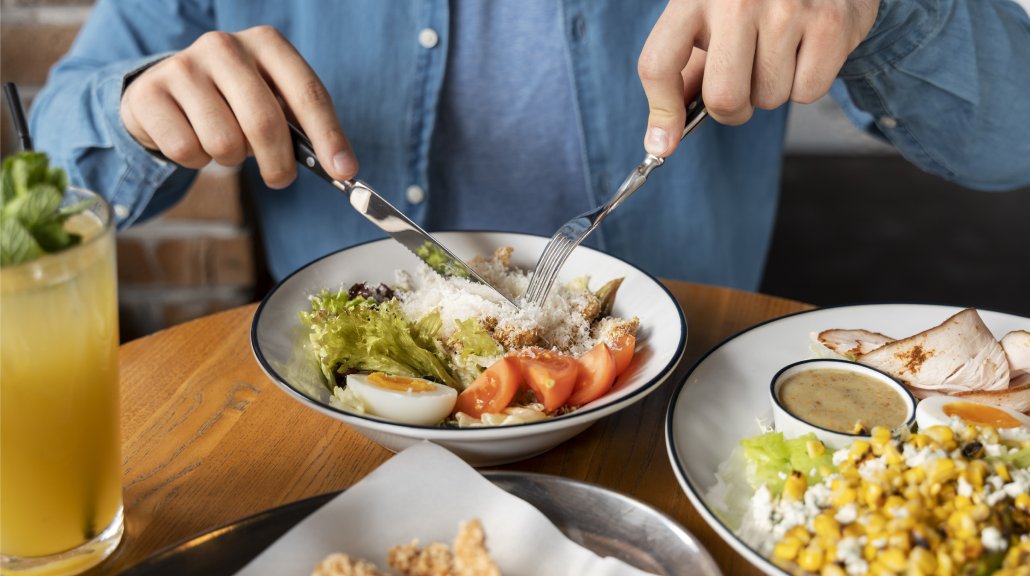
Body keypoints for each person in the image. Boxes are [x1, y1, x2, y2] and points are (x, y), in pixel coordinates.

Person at [29, 0, 1030, 289]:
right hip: (344, 441)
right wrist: (138, 106)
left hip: (674, 420)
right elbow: (49, 165)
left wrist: (884, 5)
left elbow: (1011, 141)